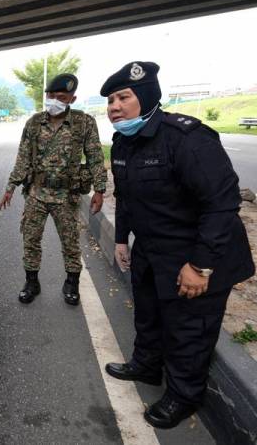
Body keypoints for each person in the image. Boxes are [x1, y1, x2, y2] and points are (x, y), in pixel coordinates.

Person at [101, 61, 255, 429]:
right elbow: (126, 196)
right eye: (109, 100)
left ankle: (184, 397)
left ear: (148, 96)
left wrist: (200, 265)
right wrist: (122, 238)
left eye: (123, 97)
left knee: (189, 329)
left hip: (197, 253)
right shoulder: (123, 141)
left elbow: (221, 204)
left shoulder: (186, 138)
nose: (114, 107)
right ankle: (147, 366)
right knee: (149, 313)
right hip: (153, 249)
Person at [0, 74, 107, 305]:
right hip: (36, 194)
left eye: (61, 97)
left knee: (70, 242)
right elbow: (23, 158)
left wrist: (99, 190)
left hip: (67, 196)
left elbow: (96, 157)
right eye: (51, 96)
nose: (54, 100)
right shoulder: (34, 123)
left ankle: (71, 283)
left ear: (72, 99)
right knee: (30, 239)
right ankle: (31, 281)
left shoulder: (84, 123)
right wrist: (10, 187)